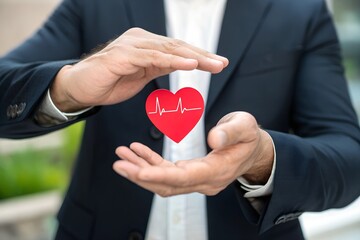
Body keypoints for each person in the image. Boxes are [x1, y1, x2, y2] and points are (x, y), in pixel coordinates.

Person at [1, 0, 360, 239]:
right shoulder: (95, 3)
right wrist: (69, 85)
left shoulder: (301, 10)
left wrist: (262, 159)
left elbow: (348, 160)